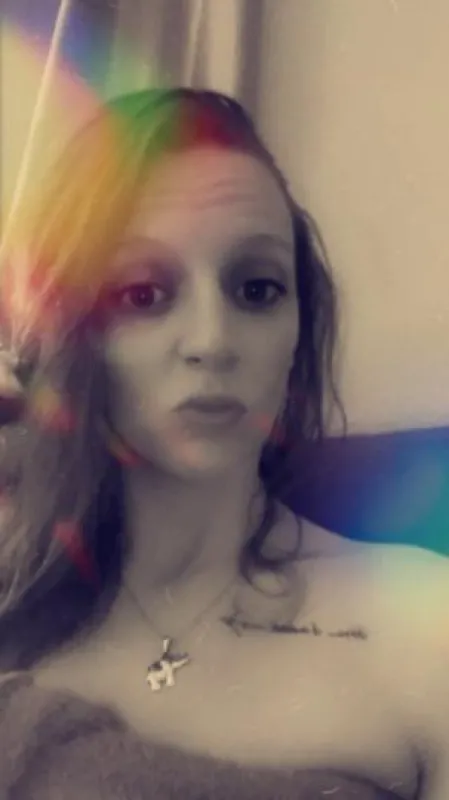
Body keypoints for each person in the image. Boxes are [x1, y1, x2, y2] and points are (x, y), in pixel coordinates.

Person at [0, 88, 447, 799]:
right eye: (143, 294)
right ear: (68, 326)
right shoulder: (17, 601)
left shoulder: (423, 621)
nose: (212, 341)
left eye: (257, 289)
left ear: (299, 328)